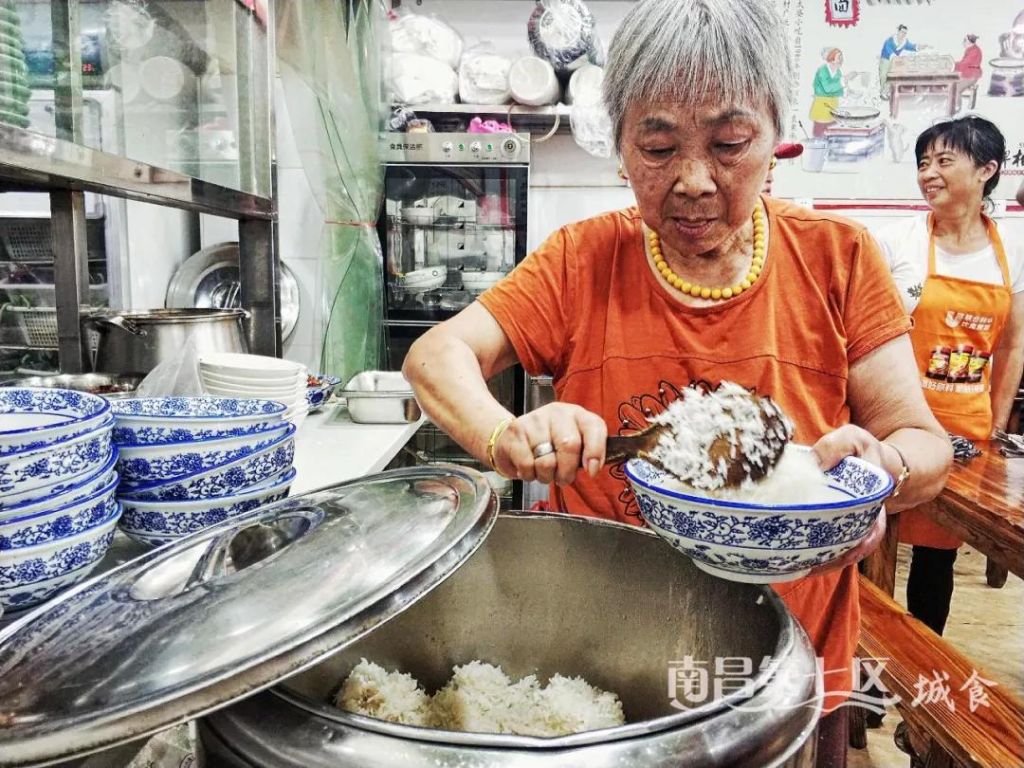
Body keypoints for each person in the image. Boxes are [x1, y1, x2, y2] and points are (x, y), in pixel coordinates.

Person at [404, 2, 953, 766]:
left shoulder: (838, 257)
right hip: (611, 663)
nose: (694, 182)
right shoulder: (580, 260)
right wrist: (506, 435)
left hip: (790, 659)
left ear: (774, 139)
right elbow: (436, 356)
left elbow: (923, 443)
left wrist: (877, 477)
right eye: (658, 148)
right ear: (620, 149)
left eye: (730, 145)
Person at [876, 116, 1024, 638]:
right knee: (870, 554)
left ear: (986, 169)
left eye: (943, 161)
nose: (928, 174)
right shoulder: (897, 243)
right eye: (923, 163)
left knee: (935, 561)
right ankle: (865, 681)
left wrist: (997, 427)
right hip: (894, 423)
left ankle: (921, 700)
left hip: (966, 428)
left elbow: (1011, 344)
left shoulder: (1014, 252)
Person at [810, 48, 845, 137]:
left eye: (842, 57)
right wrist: (844, 80)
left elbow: (839, 91)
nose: (841, 60)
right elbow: (828, 88)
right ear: (832, 59)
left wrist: (848, 92)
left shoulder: (838, 72)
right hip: (822, 106)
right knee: (820, 136)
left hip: (834, 108)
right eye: (839, 58)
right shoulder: (822, 70)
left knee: (833, 136)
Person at [879, 24, 919, 100]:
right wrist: (894, 56)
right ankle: (882, 93)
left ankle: (886, 92)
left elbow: (911, 46)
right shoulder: (889, 40)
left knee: (891, 76)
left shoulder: (904, 42)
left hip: (895, 61)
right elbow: (888, 50)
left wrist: (918, 47)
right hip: (886, 60)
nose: (903, 34)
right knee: (883, 75)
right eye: (902, 32)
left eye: (905, 33)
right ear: (898, 31)